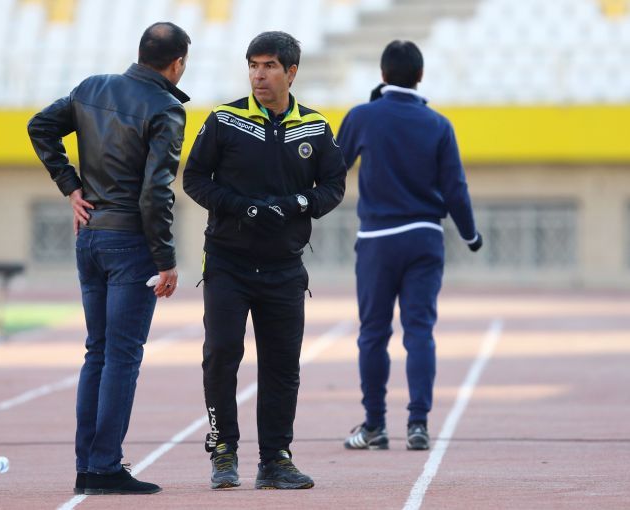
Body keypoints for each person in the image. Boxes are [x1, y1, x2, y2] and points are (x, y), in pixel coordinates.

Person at [27, 22, 190, 495]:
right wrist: (166, 258)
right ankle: (103, 466)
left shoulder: (92, 87)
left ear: (141, 53)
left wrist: (71, 186)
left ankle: (89, 465)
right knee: (121, 356)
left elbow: (39, 126)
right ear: (178, 63)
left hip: (90, 236)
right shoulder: (166, 108)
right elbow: (155, 193)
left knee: (97, 353)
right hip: (130, 244)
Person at [183, 31, 346, 490]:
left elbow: (334, 185)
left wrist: (297, 204)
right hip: (228, 264)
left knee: (282, 366)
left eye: (269, 65)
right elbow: (194, 179)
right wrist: (244, 208)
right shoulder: (225, 119)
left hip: (285, 268)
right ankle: (223, 450)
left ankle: (275, 460)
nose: (259, 74)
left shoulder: (315, 126)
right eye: (253, 65)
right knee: (221, 356)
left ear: (291, 73)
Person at [336, 40, 483, 452]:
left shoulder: (362, 116)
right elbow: (455, 188)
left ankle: (374, 425)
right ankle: (418, 424)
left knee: (373, 333)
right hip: (424, 237)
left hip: (377, 241)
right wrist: (470, 234)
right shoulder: (438, 124)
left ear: (382, 75)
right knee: (419, 331)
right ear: (420, 76)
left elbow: (332, 169)